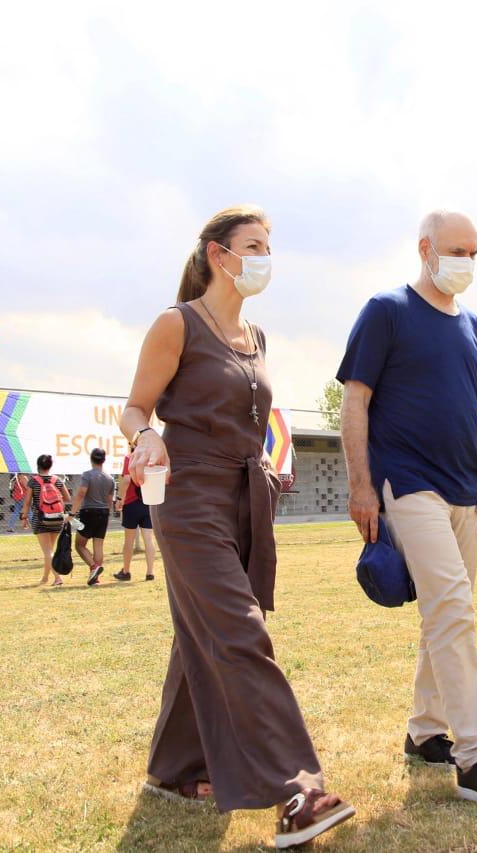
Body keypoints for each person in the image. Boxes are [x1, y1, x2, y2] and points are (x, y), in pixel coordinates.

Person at [120, 205, 354, 848]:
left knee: (202, 629)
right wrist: (145, 437)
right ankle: (298, 790)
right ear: (218, 255)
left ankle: (173, 769)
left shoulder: (258, 336)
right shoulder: (177, 323)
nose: (265, 258)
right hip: (188, 497)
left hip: (245, 496)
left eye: (268, 246)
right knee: (238, 630)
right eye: (254, 246)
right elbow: (135, 407)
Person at [338, 209, 477, 811]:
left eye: (474, 253)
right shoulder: (387, 311)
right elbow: (355, 401)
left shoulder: (474, 326)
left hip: (466, 489)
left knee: (445, 613)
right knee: (452, 607)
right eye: (456, 250)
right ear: (425, 248)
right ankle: (476, 759)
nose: (467, 262)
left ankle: (426, 732)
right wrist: (361, 486)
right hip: (409, 484)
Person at [21, 454, 72, 586]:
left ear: (38, 466)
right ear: (50, 466)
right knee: (50, 550)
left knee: (48, 551)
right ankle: (45, 578)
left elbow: (27, 502)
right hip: (57, 518)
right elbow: (67, 498)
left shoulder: (33, 481)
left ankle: (57, 578)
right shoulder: (57, 480)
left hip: (41, 519)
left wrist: (24, 517)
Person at [69, 447, 113, 585]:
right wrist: (107, 514)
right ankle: (95, 576)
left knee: (79, 545)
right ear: (104, 460)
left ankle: (94, 567)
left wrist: (72, 513)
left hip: (89, 512)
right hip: (104, 512)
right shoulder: (110, 478)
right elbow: (109, 500)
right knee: (98, 545)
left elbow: (81, 493)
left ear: (91, 459)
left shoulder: (87, 475)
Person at [114, 453, 156, 582]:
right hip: (148, 501)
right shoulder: (151, 458)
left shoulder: (130, 457)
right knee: (148, 539)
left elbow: (127, 479)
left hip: (131, 502)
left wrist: (120, 498)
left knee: (129, 540)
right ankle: (150, 572)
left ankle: (126, 571)